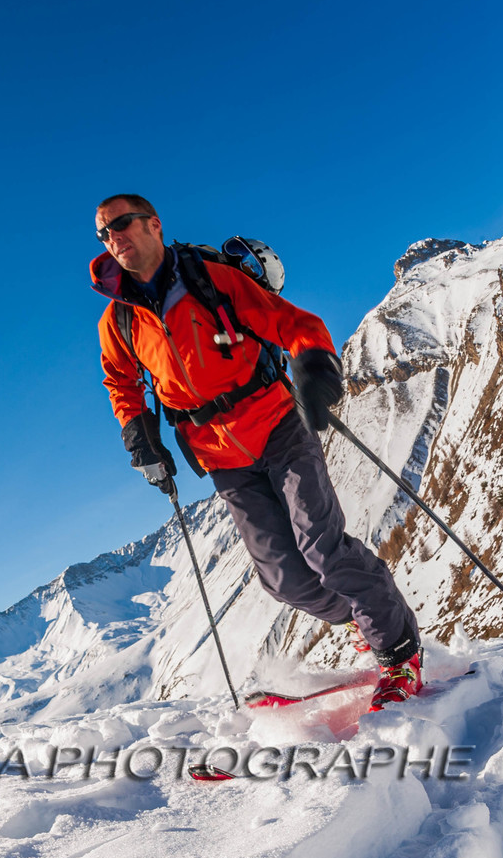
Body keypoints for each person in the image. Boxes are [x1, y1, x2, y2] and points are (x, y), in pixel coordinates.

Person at [90, 194, 422, 708]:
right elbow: (121, 384)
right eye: (104, 234)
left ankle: (398, 650)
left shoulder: (208, 279)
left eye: (121, 225)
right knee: (284, 579)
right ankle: (366, 611)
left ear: (154, 224)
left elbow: (292, 323)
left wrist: (313, 365)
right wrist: (140, 437)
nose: (114, 238)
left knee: (323, 549)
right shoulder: (118, 322)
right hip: (220, 455)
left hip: (277, 425)